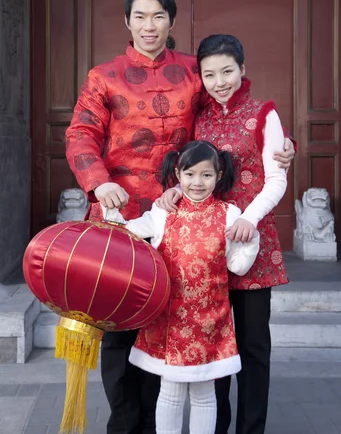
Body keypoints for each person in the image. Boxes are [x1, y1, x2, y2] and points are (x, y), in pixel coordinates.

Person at [65, 0, 295, 434]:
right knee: (117, 333)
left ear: (172, 22)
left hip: (187, 227)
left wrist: (283, 142)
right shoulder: (103, 76)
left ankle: (158, 422)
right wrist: (99, 182)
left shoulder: (194, 71)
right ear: (127, 21)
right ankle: (126, 424)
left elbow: (239, 111)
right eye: (140, 17)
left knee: (163, 326)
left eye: (158, 17)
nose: (148, 26)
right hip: (122, 219)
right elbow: (80, 134)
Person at [157, 34, 290, 434]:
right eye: (210, 74)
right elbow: (193, 171)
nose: (219, 81)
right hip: (203, 249)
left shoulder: (263, 113)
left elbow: (276, 178)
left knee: (252, 348)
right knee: (213, 346)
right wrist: (175, 190)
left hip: (250, 244)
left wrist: (248, 219)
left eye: (227, 71)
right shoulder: (200, 116)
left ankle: (250, 429)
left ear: (243, 70)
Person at [102, 141, 268, 434]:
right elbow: (129, 233)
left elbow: (238, 266)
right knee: (170, 390)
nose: (197, 182)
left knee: (205, 394)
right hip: (170, 319)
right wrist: (112, 214)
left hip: (209, 320)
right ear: (178, 174)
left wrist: (250, 236)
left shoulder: (229, 214)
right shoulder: (164, 212)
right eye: (190, 174)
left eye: (206, 175)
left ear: (219, 175)